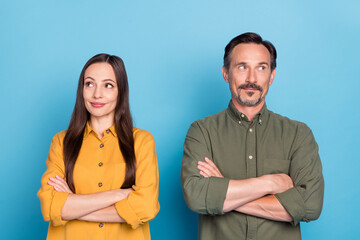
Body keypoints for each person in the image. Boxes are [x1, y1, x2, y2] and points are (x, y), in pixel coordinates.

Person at [181, 32, 324, 239]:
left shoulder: (298, 134)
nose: (252, 78)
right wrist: (270, 184)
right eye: (242, 67)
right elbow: (196, 196)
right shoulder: (202, 131)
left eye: (261, 67)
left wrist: (224, 190)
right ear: (226, 74)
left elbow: (310, 206)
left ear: (271, 76)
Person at [37, 54, 159, 240]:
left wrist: (74, 206)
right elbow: (50, 206)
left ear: (121, 91)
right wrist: (118, 195)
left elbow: (146, 207)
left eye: (108, 85)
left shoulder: (142, 141)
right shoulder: (61, 142)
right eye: (90, 84)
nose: (97, 94)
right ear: (82, 89)